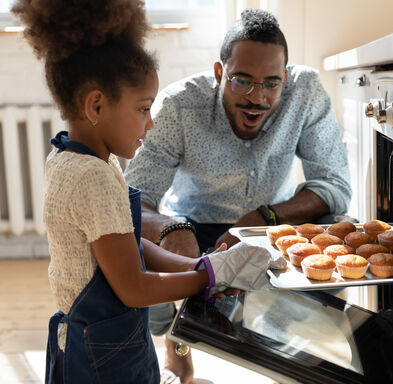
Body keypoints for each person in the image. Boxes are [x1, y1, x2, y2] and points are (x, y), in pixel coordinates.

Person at [11, 1, 273, 383]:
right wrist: (211, 277)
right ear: (97, 105)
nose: (150, 125)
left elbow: (126, 244)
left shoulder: (76, 157)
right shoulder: (93, 178)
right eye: (143, 109)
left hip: (103, 338)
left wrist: (197, 266)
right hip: (103, 356)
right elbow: (133, 287)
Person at [124, 8, 352, 384]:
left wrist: (262, 218)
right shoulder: (177, 106)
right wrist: (171, 227)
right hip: (192, 229)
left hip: (273, 226)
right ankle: (176, 345)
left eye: (271, 84)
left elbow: (334, 186)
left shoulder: (306, 92)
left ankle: (287, 348)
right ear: (219, 74)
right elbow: (135, 197)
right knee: (128, 247)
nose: (256, 98)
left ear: (287, 78)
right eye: (242, 80)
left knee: (341, 227)